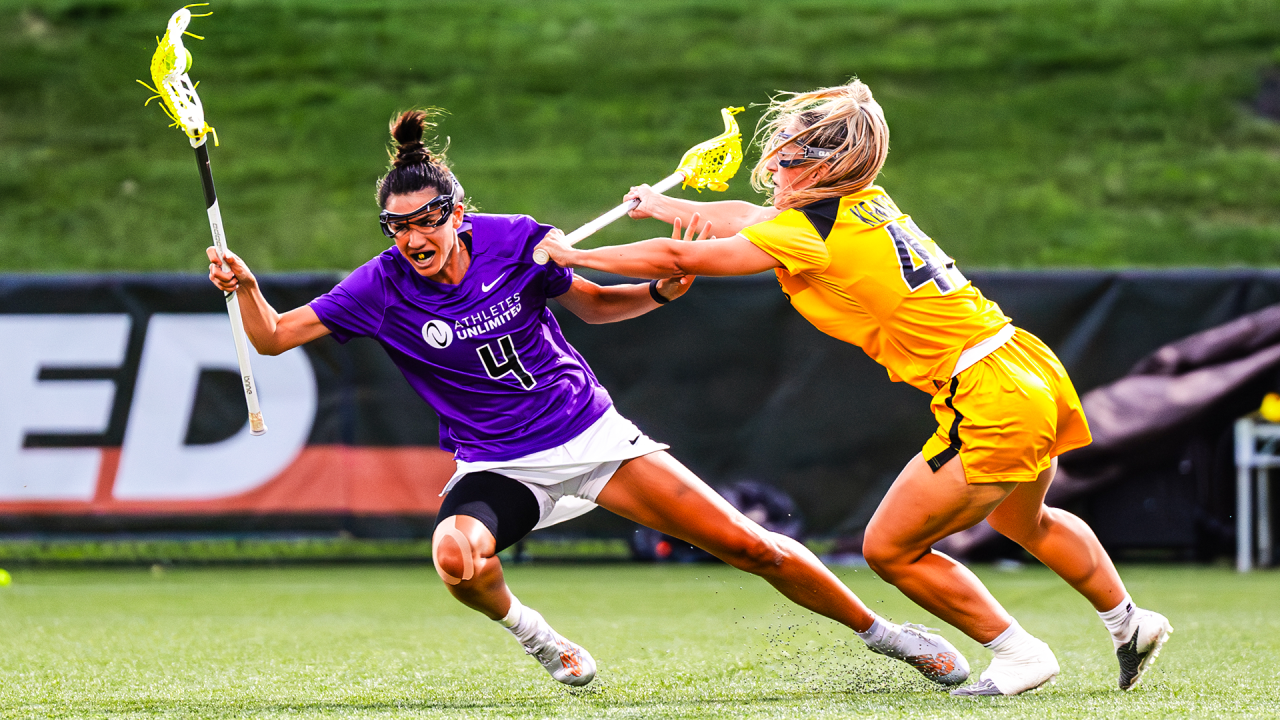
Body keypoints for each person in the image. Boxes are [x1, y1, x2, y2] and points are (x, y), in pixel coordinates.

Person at [206, 108, 972, 689]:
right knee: (453, 557)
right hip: (501, 465)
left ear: (457, 211)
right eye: (397, 226)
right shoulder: (378, 287)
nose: (414, 237)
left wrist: (660, 291)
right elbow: (272, 336)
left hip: (590, 435)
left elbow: (597, 307)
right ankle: (540, 638)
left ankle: (884, 634)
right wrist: (245, 291)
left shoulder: (514, 241)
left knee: (750, 546)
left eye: (427, 219)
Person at [533, 80, 1173, 696]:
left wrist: (573, 255)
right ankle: (1129, 622)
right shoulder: (857, 205)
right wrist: (667, 206)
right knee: (1024, 520)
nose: (773, 168)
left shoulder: (807, 230)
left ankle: (1018, 653)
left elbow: (681, 259)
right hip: (1024, 363)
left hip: (987, 392)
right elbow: (745, 218)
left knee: (890, 549)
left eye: (785, 157)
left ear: (816, 164)